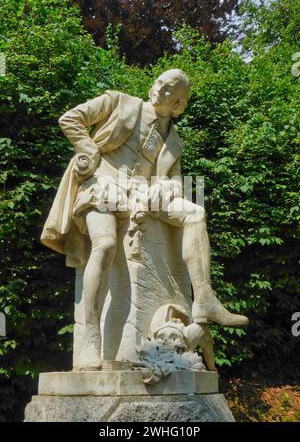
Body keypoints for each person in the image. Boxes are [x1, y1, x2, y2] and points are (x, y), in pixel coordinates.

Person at [41, 69, 248, 371]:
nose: (158, 90)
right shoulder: (119, 102)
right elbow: (70, 118)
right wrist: (89, 152)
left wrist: (168, 187)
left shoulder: (174, 142)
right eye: (159, 84)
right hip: (103, 183)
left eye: (168, 91)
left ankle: (204, 299)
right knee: (107, 244)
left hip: (143, 194)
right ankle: (90, 341)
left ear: (179, 105)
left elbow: (176, 181)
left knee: (196, 213)